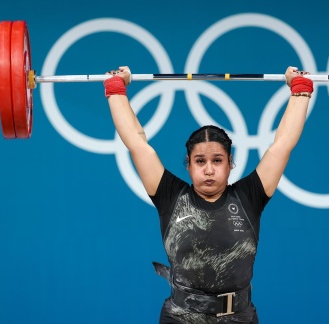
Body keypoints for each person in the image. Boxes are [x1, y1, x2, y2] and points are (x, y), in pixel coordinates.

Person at [104, 66, 313, 323]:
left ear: (230, 164)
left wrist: (300, 89)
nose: (209, 170)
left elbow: (283, 144)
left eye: (217, 160)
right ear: (189, 165)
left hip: (239, 318)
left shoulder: (250, 196)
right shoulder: (170, 196)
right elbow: (137, 143)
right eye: (200, 161)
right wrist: (116, 89)